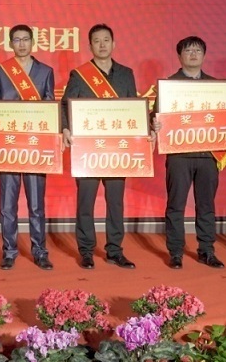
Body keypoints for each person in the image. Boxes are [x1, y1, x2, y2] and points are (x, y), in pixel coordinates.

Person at [156, 36, 226, 270]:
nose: (193, 54)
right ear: (179, 56)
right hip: (179, 155)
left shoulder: (216, 87)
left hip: (208, 155)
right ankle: (176, 252)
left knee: (206, 206)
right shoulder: (169, 86)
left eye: (197, 50)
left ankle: (207, 250)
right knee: (176, 205)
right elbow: (156, 116)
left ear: (204, 55)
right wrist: (156, 123)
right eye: (188, 50)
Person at [60, 24, 138, 270]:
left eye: (106, 40)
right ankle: (86, 251)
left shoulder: (126, 74)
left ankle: (115, 250)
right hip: (88, 150)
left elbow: (133, 107)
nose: (102, 44)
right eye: (97, 41)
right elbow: (65, 105)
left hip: (116, 150)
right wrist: (65, 129)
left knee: (115, 203)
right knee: (86, 202)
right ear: (90, 46)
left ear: (114, 44)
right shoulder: (79, 75)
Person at [0, 24, 55, 270]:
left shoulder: (45, 71)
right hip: (8, 146)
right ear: (10, 43)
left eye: (26, 39)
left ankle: (40, 251)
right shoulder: (2, 70)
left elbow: (50, 105)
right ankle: (9, 251)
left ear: (33, 42)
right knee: (7, 204)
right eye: (17, 40)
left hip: (36, 146)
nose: (22, 44)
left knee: (36, 205)